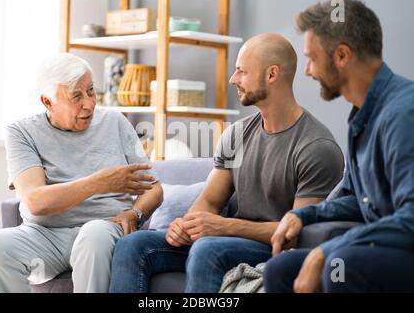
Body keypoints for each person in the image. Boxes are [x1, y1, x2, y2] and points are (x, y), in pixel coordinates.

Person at [109, 33, 344, 293]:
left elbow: (297, 234)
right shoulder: (237, 134)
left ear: (272, 74)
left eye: (242, 71)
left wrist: (224, 226)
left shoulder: (316, 148)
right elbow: (209, 201)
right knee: (132, 245)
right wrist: (186, 226)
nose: (233, 79)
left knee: (207, 248)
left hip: (272, 247)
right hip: (225, 239)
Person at [0, 53, 163, 293]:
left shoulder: (115, 122)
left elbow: (154, 188)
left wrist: (135, 213)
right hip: (45, 236)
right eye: (76, 96)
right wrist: (99, 183)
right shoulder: (21, 132)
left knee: (93, 234)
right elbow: (35, 201)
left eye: (91, 91)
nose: (89, 103)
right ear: (48, 102)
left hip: (105, 228)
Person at [265, 0, 414, 293]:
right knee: (279, 269)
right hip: (387, 251)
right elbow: (358, 199)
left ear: (342, 55)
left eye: (312, 58)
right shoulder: (362, 117)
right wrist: (300, 215)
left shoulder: (403, 113)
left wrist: (324, 251)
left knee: (341, 265)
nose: (307, 70)